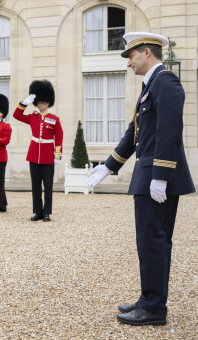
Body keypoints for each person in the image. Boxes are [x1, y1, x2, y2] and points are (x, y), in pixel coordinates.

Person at [87, 32, 195, 326]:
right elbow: (135, 133)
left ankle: (154, 308)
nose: (128, 63)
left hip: (157, 177)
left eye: (131, 56)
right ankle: (149, 298)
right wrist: (109, 166)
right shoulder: (151, 87)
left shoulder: (166, 82)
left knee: (154, 241)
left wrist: (160, 176)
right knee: (149, 241)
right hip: (148, 175)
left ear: (147, 52)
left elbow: (169, 132)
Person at [13, 80, 63, 222]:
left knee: (48, 186)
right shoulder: (33, 117)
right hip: (34, 155)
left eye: (43, 101)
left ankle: (47, 212)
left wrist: (57, 155)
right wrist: (24, 103)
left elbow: (59, 138)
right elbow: (17, 115)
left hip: (48, 156)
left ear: (48, 102)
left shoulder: (54, 119)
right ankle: (38, 212)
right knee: (35, 186)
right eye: (39, 102)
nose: (41, 104)